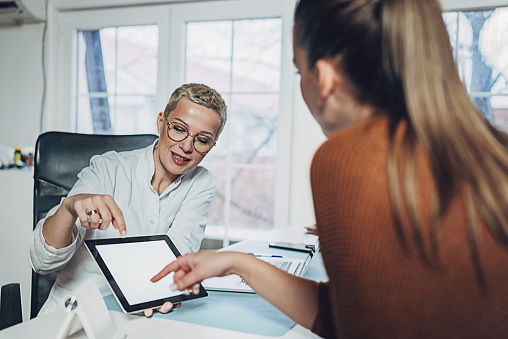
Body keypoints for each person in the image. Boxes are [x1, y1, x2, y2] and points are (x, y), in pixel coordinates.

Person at [151, 0, 508, 337]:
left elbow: (347, 328)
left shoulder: (346, 158)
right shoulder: (492, 148)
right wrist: (236, 262)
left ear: (324, 78)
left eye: (297, 69)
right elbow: (348, 312)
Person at [30, 83, 227, 317]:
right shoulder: (107, 169)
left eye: (202, 140)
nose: (186, 146)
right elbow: (41, 263)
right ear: (161, 122)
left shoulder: (201, 183)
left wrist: (164, 288)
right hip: (73, 316)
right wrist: (69, 207)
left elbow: (175, 260)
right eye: (178, 129)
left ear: (211, 145)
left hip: (144, 319)